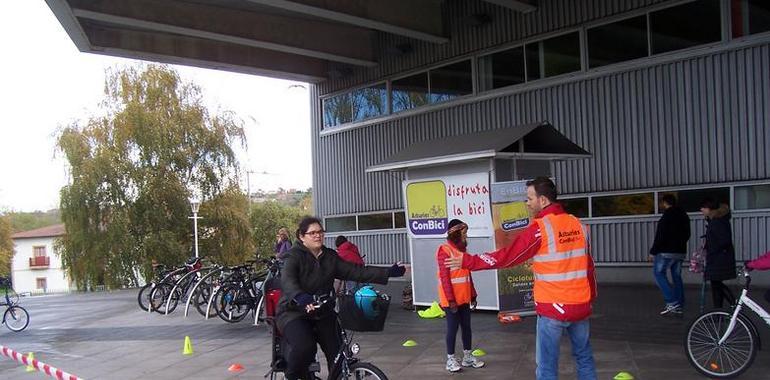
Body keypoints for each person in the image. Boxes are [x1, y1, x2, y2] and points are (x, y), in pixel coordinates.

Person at [446, 177, 597, 380]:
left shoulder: (541, 228)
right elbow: (589, 267)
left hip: (553, 308)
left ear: (543, 200)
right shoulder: (578, 225)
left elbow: (508, 256)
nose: (527, 203)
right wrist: (589, 300)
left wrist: (468, 261)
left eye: (529, 198)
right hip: (581, 306)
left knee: (547, 366)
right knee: (584, 358)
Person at [276, 217, 406, 380]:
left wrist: (388, 272)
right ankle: (290, 377)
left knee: (338, 355)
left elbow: (356, 271)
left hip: (323, 311)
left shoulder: (329, 256)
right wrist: (300, 296)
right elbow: (288, 281)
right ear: (302, 237)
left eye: (320, 232)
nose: (318, 236)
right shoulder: (293, 256)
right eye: (313, 233)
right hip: (294, 312)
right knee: (304, 347)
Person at [437, 219, 484, 373]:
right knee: (452, 329)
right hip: (451, 301)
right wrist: (451, 300)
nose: (466, 237)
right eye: (464, 233)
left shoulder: (463, 252)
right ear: (455, 233)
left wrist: (473, 295)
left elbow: (467, 276)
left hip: (463, 298)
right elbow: (445, 278)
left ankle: (467, 357)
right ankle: (450, 359)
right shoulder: (444, 250)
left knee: (467, 328)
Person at [649, 194, 690, 315]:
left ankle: (672, 302)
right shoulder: (684, 215)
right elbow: (687, 234)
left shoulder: (666, 216)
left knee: (659, 273)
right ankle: (679, 302)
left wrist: (653, 251)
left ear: (665, 203)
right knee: (676, 276)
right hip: (680, 251)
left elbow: (660, 235)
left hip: (666, 251)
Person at [700, 198, 737, 309]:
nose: (701, 210)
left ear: (710, 209)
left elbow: (723, 240)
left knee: (717, 284)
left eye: (704, 208)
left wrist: (711, 248)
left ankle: (732, 304)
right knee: (716, 284)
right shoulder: (717, 220)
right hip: (719, 256)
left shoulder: (717, 222)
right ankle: (720, 309)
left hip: (718, 258)